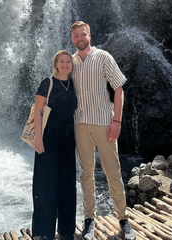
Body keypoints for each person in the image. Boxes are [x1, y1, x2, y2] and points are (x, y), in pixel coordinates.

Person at [69, 21, 136, 240]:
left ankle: (123, 219)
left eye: (83, 34)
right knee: (86, 173)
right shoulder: (70, 62)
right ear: (72, 39)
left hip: (104, 123)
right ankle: (89, 220)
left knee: (112, 171)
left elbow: (118, 88)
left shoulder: (104, 57)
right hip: (80, 123)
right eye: (76, 36)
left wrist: (117, 120)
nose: (80, 38)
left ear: (90, 35)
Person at [32, 50, 78, 240]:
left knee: (67, 185)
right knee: (45, 185)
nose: (65, 64)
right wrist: (38, 138)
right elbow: (38, 111)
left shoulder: (74, 85)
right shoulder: (48, 83)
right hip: (48, 139)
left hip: (68, 141)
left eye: (68, 62)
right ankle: (43, 232)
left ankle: (66, 230)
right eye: (62, 62)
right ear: (56, 64)